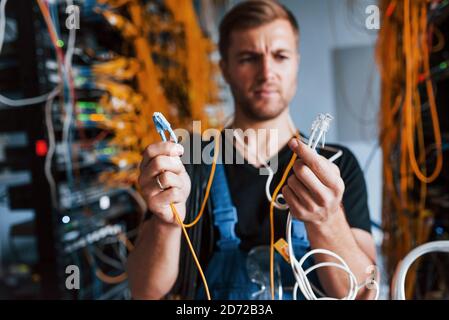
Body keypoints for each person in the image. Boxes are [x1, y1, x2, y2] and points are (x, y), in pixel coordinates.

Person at [127, 0, 377, 300]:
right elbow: (144, 291)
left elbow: (365, 292)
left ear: (296, 62)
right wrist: (167, 223)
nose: (266, 71)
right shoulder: (188, 161)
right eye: (248, 57)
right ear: (226, 69)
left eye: (280, 56)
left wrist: (328, 219)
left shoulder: (335, 165)